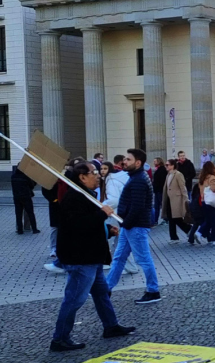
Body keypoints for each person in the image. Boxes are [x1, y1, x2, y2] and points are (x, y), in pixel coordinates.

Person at [51, 162, 135, 352]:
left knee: (101, 292)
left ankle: (111, 326)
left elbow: (87, 226)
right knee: (74, 299)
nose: (98, 176)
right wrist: (101, 214)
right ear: (82, 177)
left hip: (91, 256)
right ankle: (60, 338)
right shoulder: (74, 197)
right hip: (81, 258)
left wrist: (107, 230)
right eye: (93, 173)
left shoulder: (85, 195)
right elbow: (78, 226)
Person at [105, 149, 161, 304]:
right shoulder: (136, 177)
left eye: (128, 159)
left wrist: (126, 223)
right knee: (119, 257)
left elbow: (137, 206)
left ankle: (153, 290)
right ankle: (106, 288)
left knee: (143, 259)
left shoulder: (138, 180)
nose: (125, 162)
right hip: (130, 225)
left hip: (135, 226)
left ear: (138, 162)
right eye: (125, 159)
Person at [162, 159, 192, 243]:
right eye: (165, 165)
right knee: (170, 218)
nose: (166, 166)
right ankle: (174, 237)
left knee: (176, 218)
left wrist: (185, 199)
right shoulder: (168, 175)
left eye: (167, 165)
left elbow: (183, 187)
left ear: (173, 165)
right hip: (169, 199)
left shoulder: (178, 174)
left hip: (176, 200)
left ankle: (189, 230)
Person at [196, 161, 215, 246]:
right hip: (211, 202)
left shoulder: (201, 178)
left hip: (204, 201)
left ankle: (201, 233)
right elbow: (214, 188)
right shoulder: (212, 177)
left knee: (209, 220)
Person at [10, 162, 39, 234]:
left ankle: (20, 229)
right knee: (30, 213)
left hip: (16, 197)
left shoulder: (13, 176)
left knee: (18, 214)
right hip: (26, 196)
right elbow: (32, 185)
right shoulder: (25, 177)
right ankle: (34, 229)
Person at [151, 157, 167, 225]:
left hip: (160, 190)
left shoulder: (162, 169)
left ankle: (166, 219)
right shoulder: (157, 169)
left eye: (155, 161)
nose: (154, 162)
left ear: (159, 162)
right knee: (156, 206)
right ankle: (155, 220)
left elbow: (162, 181)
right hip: (157, 190)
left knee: (162, 205)